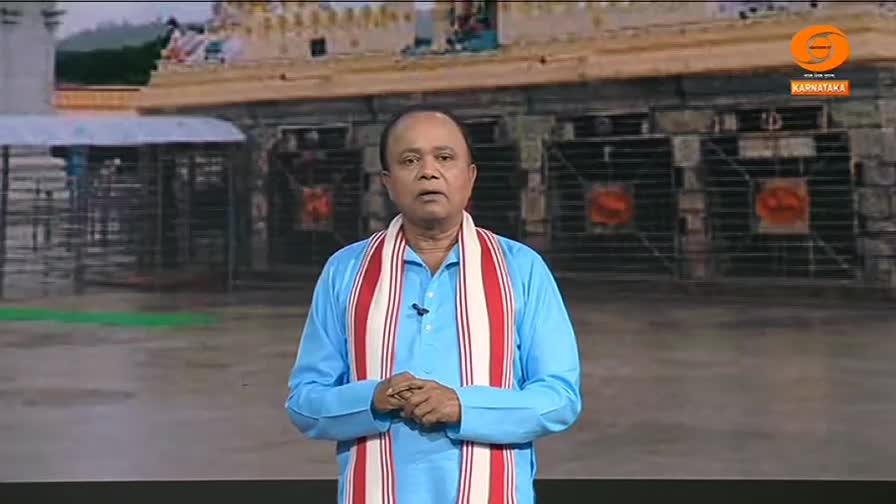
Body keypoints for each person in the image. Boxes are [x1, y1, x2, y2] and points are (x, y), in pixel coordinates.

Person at [285, 106, 582, 504]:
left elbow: (559, 398)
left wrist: (461, 406)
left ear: (470, 176)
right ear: (388, 183)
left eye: (444, 158)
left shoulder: (521, 268)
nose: (428, 172)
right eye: (410, 160)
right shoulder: (347, 272)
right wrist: (371, 399)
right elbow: (305, 401)